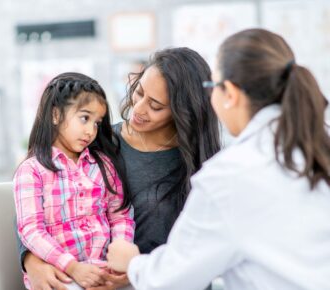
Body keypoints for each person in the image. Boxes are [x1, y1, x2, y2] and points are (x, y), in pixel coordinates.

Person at [106, 28, 330, 290]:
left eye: (213, 87)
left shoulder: (229, 175)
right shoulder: (315, 147)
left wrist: (132, 263)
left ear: (230, 94)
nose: (140, 108)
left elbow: (172, 278)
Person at [17, 48, 221, 290]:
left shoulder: (202, 165)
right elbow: (34, 205)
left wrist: (135, 270)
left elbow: (204, 249)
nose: (139, 108)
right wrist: (32, 262)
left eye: (155, 106)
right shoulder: (95, 142)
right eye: (139, 91)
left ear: (182, 112)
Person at [14, 72, 135, 290]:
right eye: (84, 118)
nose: (91, 131)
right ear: (55, 115)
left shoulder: (103, 166)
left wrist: (119, 260)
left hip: (103, 272)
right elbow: (31, 230)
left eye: (97, 123)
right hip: (59, 277)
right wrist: (72, 268)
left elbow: (120, 215)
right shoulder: (31, 170)